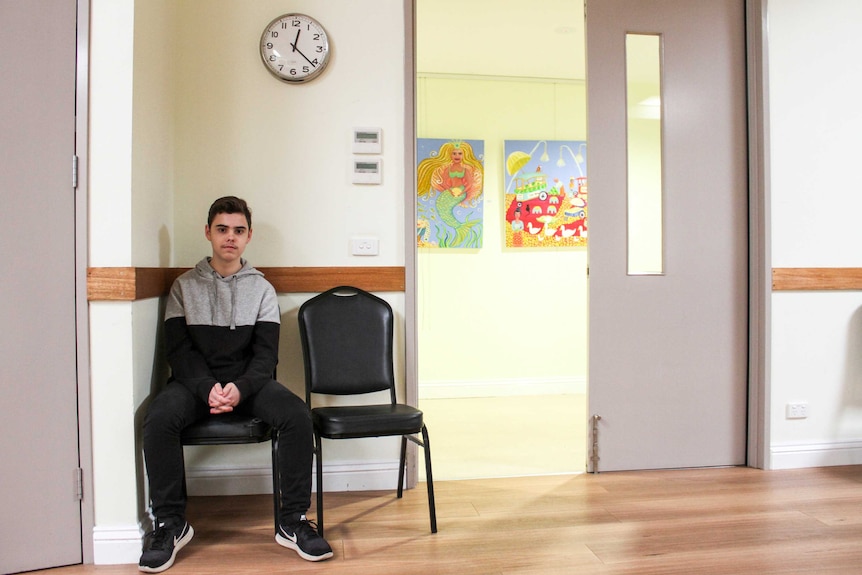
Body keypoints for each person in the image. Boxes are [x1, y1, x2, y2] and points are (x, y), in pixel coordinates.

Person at [139, 196, 332, 572]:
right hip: (194, 385)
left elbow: (266, 356)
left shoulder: (262, 290)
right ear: (208, 232)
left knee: (296, 415)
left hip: (249, 385)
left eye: (238, 231)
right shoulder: (183, 286)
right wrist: (206, 387)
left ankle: (291, 521)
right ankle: (170, 524)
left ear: (248, 236)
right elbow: (178, 352)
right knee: (158, 417)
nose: (230, 237)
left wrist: (240, 389)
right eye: (223, 229)